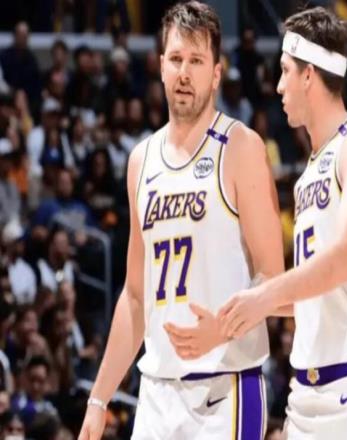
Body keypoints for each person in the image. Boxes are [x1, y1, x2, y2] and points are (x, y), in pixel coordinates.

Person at [169, 6, 347, 439]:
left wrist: (261, 298)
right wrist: (228, 323)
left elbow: (345, 261)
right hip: (305, 396)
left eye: (285, 71)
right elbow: (310, 294)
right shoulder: (308, 174)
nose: (278, 85)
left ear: (309, 75)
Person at [78, 2, 283, 439]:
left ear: (216, 73)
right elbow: (136, 296)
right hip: (156, 393)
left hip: (225, 388)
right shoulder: (141, 160)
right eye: (175, 59)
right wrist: (98, 399)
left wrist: (222, 330)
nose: (184, 73)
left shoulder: (241, 147)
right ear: (160, 66)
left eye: (196, 60)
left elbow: (272, 278)